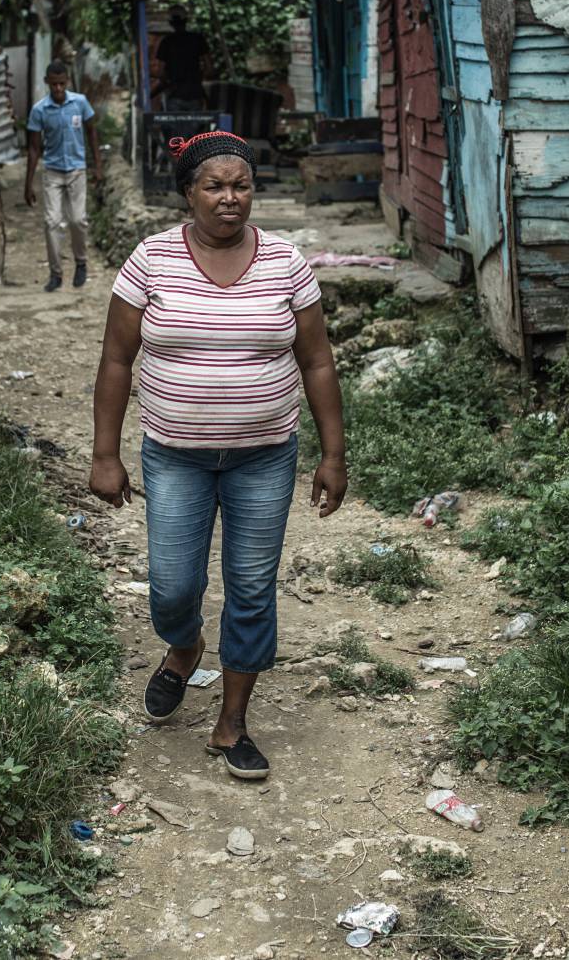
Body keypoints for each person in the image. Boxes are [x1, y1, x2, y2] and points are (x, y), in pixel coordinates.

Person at [90, 131, 348, 781]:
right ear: (189, 194)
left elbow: (316, 361)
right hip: (174, 455)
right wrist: (105, 453)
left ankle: (231, 724)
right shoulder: (151, 260)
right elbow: (117, 360)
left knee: (253, 589)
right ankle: (184, 648)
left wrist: (333, 454)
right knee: (174, 587)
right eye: (215, 186)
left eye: (241, 185)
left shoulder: (287, 263)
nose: (230, 198)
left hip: (265, 456)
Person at [25, 60, 100, 292]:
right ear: (47, 82)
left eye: (61, 84)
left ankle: (81, 263)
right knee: (52, 222)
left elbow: (92, 133)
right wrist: (27, 184)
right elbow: (34, 148)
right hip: (53, 172)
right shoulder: (39, 110)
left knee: (78, 219)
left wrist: (98, 166)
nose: (58, 88)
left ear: (66, 82)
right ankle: (56, 273)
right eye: (54, 84)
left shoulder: (80, 103)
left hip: (77, 170)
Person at [155, 7, 209, 111]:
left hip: (174, 95)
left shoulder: (166, 42)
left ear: (171, 23)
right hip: (195, 94)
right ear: (186, 21)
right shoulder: (198, 39)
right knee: (194, 125)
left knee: (174, 125)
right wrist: (196, 80)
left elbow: (160, 73)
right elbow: (210, 68)